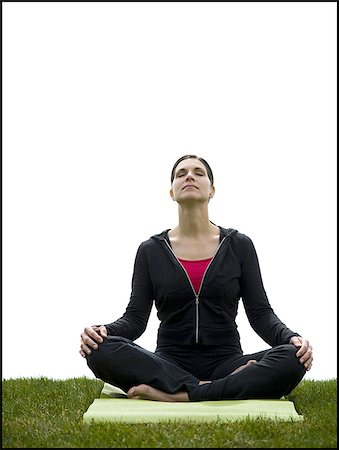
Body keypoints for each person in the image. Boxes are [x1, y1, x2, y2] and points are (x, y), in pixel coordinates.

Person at [80, 154, 313, 402]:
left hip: (226, 360)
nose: (189, 176)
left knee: (291, 357)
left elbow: (260, 313)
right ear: (171, 192)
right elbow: (135, 318)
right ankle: (215, 388)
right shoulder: (150, 250)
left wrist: (291, 338)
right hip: (168, 363)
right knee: (100, 350)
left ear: (212, 190)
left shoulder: (239, 246)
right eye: (181, 174)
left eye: (198, 173)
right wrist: (103, 332)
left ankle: (177, 395)